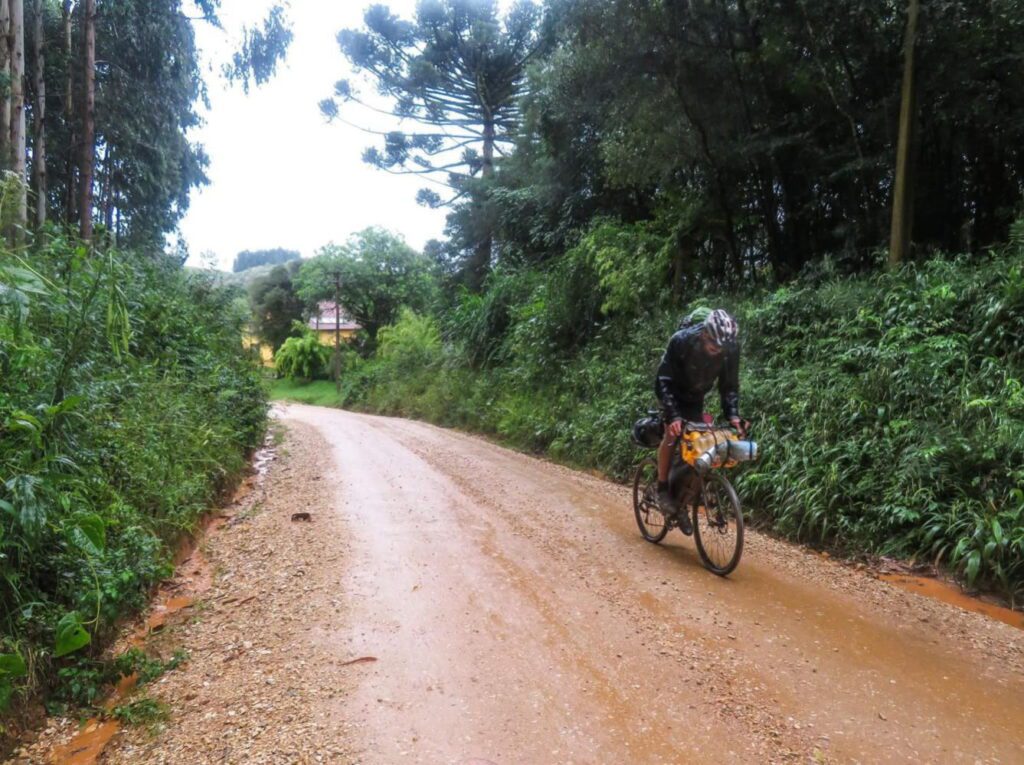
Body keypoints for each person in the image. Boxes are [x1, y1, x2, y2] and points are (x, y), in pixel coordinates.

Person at [654, 308, 742, 533]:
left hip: (696, 397)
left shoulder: (730, 349)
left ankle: (681, 500)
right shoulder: (681, 341)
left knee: (699, 445)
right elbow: (663, 380)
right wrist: (673, 415)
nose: (718, 351)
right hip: (671, 394)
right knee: (672, 435)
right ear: (704, 334)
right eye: (714, 345)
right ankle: (662, 488)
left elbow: (729, 386)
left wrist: (733, 415)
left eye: (722, 347)